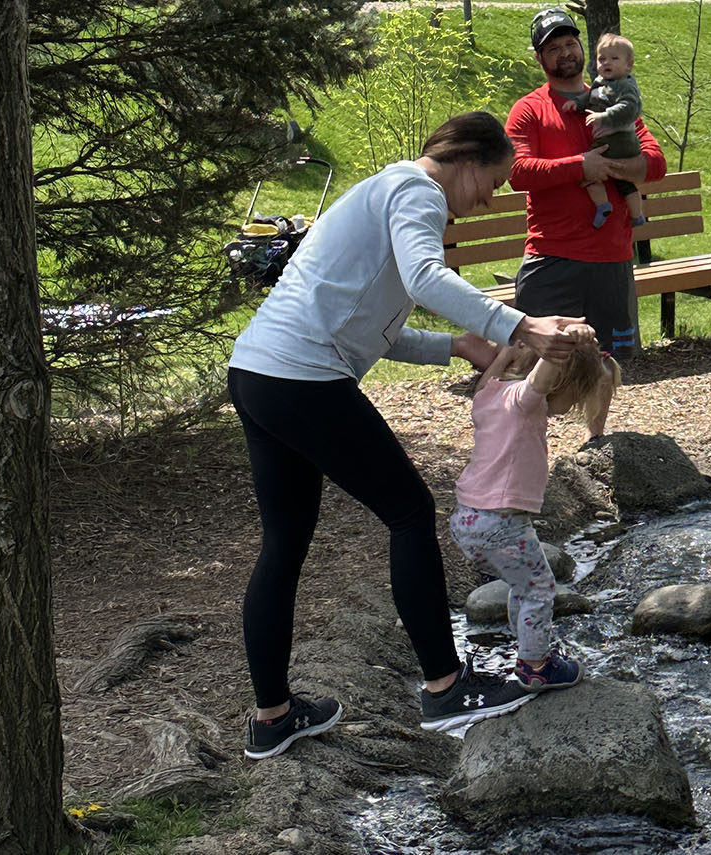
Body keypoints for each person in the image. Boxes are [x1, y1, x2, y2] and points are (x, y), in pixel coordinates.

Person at [227, 111, 585, 759]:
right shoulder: (417, 191)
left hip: (258, 373)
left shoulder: (387, 191)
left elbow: (375, 328)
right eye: (494, 182)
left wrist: (456, 345)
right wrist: (519, 327)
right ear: (468, 161)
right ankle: (446, 686)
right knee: (410, 512)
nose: (490, 199)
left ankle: (272, 717)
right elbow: (425, 279)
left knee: (284, 544)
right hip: (303, 376)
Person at [447, 324, 619, 701]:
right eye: (575, 398)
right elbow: (542, 375)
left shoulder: (489, 392)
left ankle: (524, 645)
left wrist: (510, 349)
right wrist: (563, 342)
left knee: (523, 585)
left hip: (468, 519)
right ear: (562, 381)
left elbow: (504, 366)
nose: (569, 409)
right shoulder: (525, 401)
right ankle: (536, 667)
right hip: (500, 522)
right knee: (540, 589)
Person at [506, 7, 668, 371]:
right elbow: (517, 172)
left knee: (610, 370)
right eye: (553, 48)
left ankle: (600, 415)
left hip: (611, 260)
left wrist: (611, 167)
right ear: (539, 59)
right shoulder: (528, 110)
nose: (565, 52)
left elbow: (656, 163)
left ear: (583, 48)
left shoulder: (614, 101)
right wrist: (580, 165)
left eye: (570, 43)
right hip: (552, 258)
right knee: (533, 372)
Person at [560, 33, 649, 230]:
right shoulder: (600, 82)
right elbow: (590, 97)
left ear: (629, 65)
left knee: (588, 172)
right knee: (624, 183)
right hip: (613, 141)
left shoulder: (624, 84)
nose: (606, 63)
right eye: (602, 59)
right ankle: (637, 216)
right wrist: (577, 103)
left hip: (617, 139)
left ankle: (602, 205)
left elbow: (630, 107)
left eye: (614, 58)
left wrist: (604, 115)